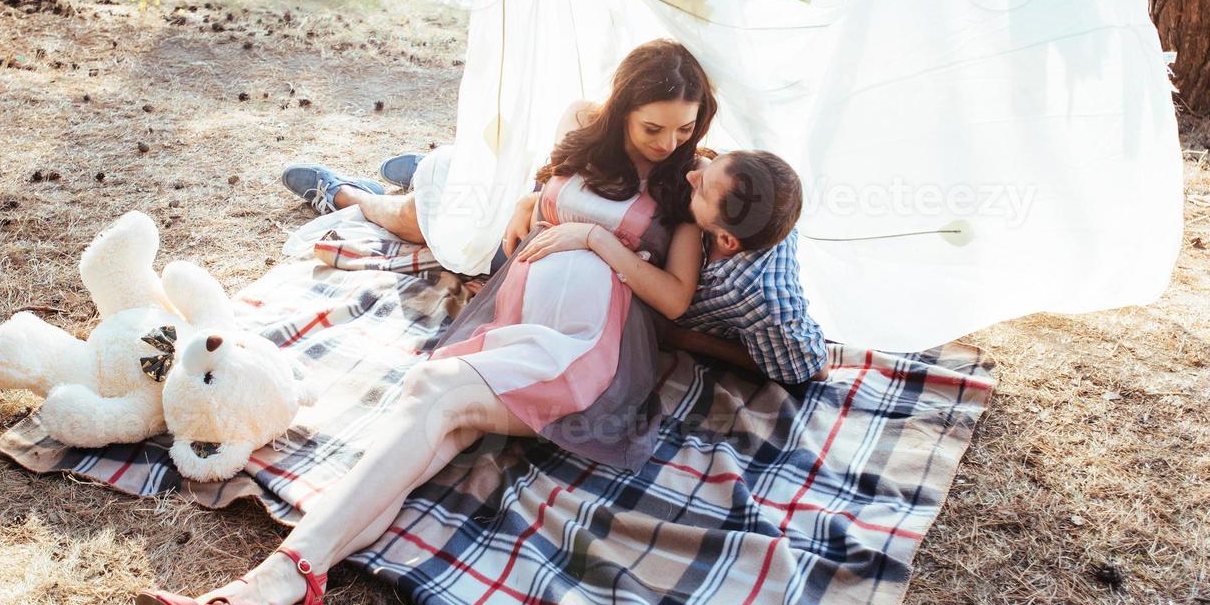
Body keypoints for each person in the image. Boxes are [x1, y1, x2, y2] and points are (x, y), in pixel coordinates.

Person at [137, 38, 723, 605]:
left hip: (579, 352)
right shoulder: (583, 130)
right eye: (652, 127)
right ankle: (275, 598)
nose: (668, 142)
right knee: (433, 430)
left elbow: (673, 299)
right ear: (621, 109)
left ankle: (274, 584)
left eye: (684, 128)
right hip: (516, 322)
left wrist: (593, 240)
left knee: (429, 393)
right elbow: (540, 188)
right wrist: (534, 203)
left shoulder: (683, 186)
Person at [282, 148, 828, 390]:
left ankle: (384, 189)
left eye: (705, 185)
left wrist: (683, 338)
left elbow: (805, 366)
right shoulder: (746, 196)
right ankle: (358, 196)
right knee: (443, 219)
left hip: (592, 247)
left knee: (453, 212)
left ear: (727, 238)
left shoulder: (764, 296)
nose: (694, 173)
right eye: (709, 167)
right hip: (569, 217)